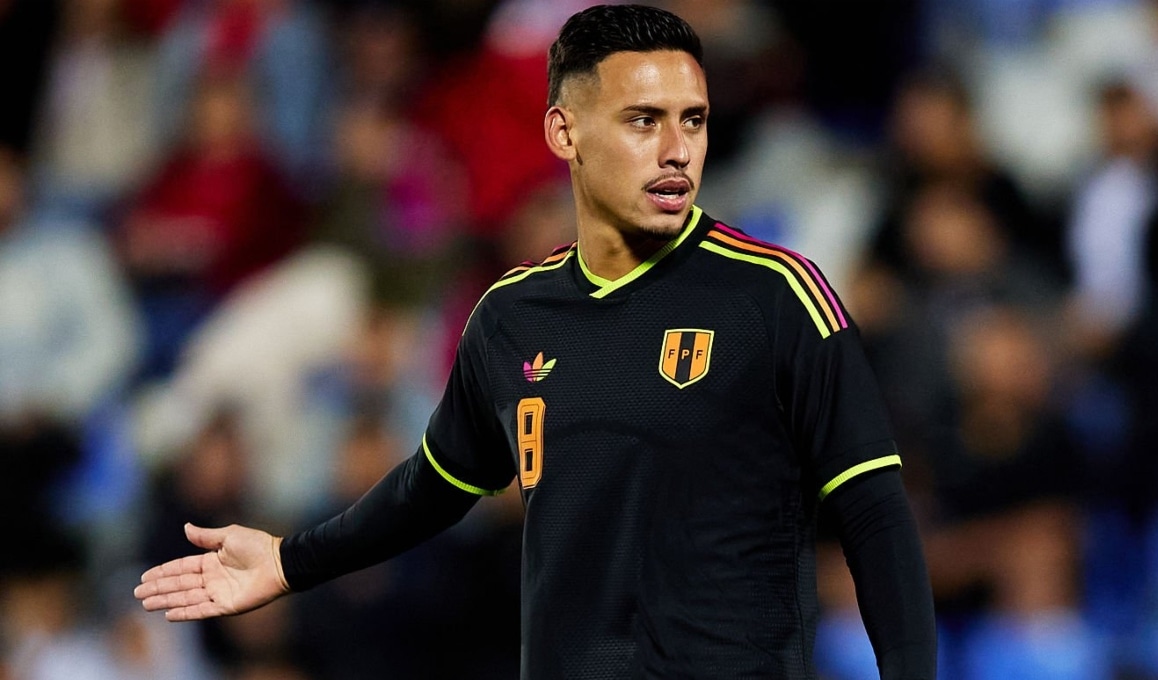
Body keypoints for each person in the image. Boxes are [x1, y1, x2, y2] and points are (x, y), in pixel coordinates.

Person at [135, 6, 937, 678]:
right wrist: (289, 561)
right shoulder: (511, 317)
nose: (676, 149)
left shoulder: (778, 296)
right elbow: (434, 486)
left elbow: (872, 510)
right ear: (565, 132)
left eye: (692, 119)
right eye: (642, 120)